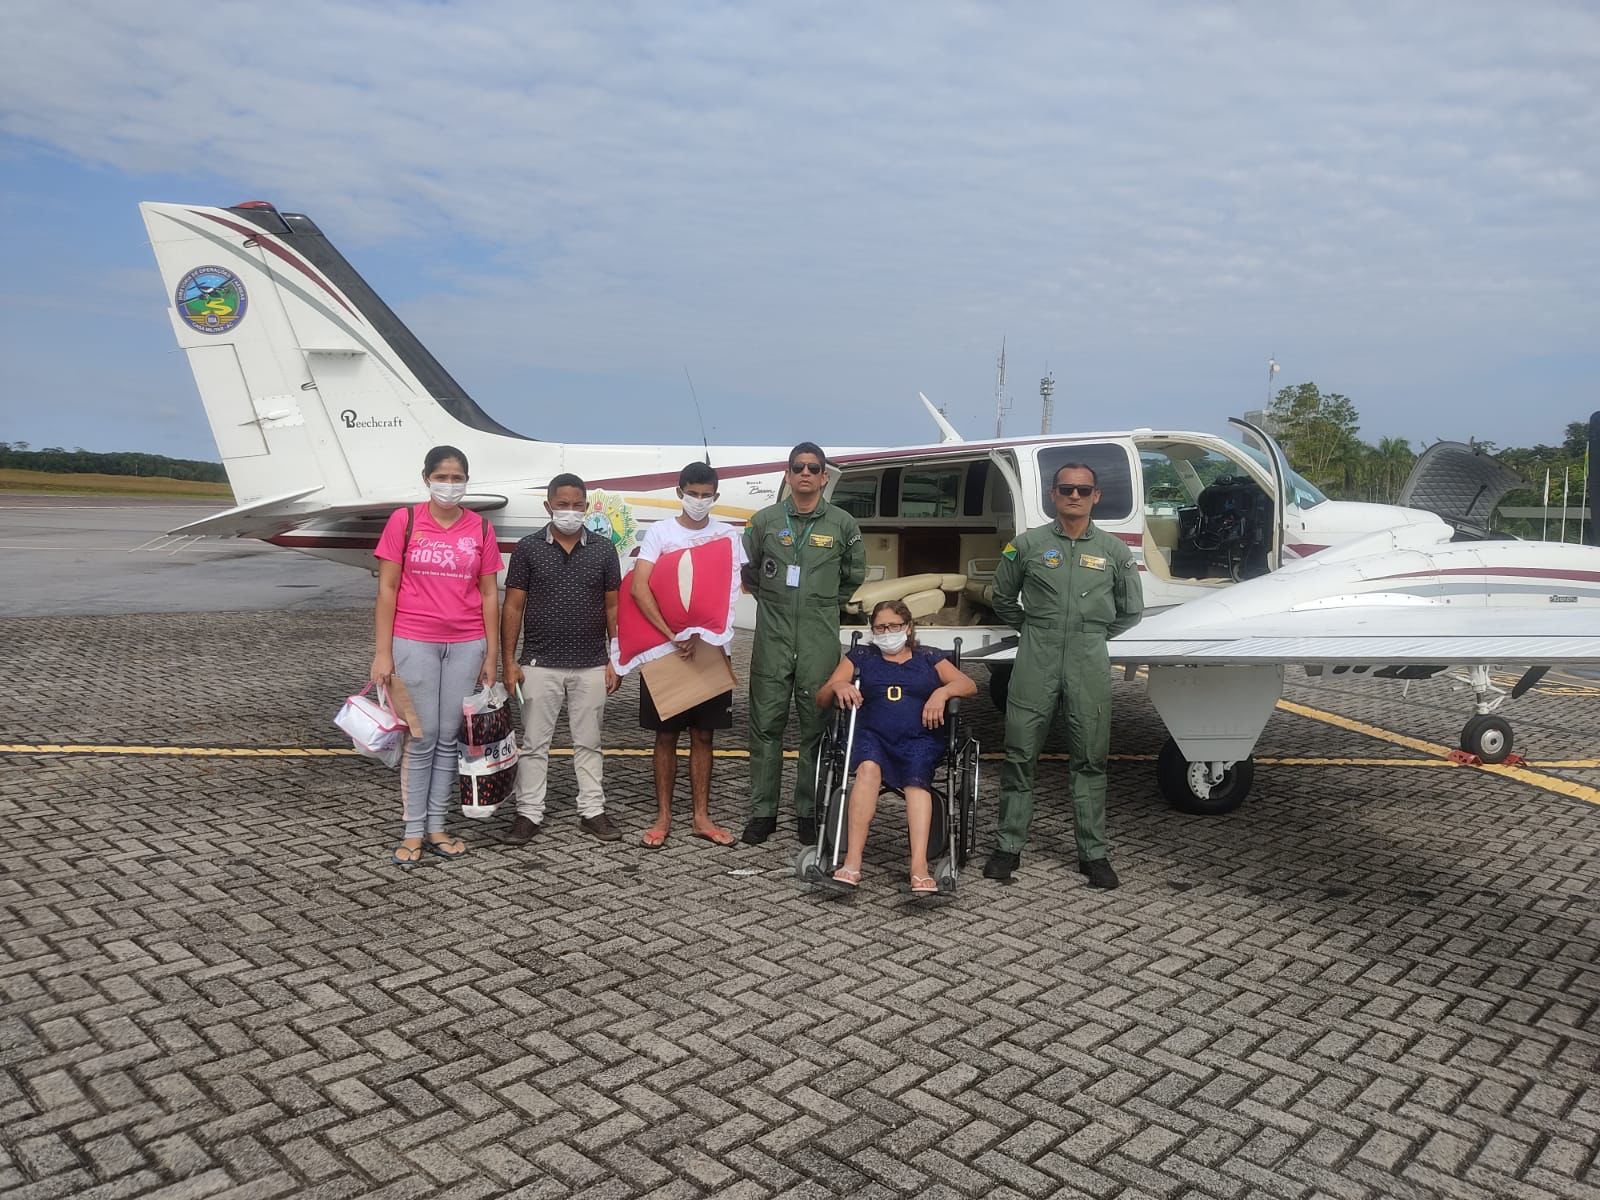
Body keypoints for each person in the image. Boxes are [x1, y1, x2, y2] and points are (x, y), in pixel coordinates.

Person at [983, 462, 1143, 889]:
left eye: (1083, 489)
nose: (1075, 496)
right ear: (1053, 495)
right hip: (1037, 653)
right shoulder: (1027, 545)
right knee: (1019, 754)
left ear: (1096, 497)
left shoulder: (1114, 552)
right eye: (1066, 489)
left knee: (1090, 758)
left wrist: (1089, 634)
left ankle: (1093, 854)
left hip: (1088, 659)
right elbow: (1002, 596)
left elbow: (1131, 611)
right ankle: (1007, 847)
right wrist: (1037, 627)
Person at [371, 445, 503, 868]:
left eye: (457, 477)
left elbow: (488, 595)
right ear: (426, 478)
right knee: (421, 736)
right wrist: (382, 652)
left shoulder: (480, 529)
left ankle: (437, 827)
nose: (450, 485)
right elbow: (387, 589)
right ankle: (412, 831)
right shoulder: (405, 521)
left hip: (467, 643)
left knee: (449, 739)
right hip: (415, 640)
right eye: (442, 477)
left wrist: (492, 656)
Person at [741, 442, 867, 846]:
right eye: (799, 467)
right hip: (772, 639)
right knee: (765, 728)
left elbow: (853, 575)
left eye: (814, 468)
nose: (806, 474)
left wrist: (819, 602)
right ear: (788, 474)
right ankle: (763, 813)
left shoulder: (843, 525)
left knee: (816, 729)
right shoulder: (763, 522)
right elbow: (754, 570)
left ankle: (808, 812)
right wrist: (779, 603)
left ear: (824, 476)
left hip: (818, 639)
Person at [814, 601, 977, 894]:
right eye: (880, 627)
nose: (887, 632)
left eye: (894, 626)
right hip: (871, 735)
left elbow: (968, 685)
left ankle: (919, 868)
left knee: (916, 781)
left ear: (908, 627)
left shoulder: (929, 657)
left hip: (920, 737)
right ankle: (851, 862)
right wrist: (838, 686)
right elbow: (823, 697)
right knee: (867, 770)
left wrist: (943, 691)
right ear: (872, 630)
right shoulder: (861, 655)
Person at [501, 473, 622, 843]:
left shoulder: (603, 549)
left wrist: (616, 657)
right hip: (539, 663)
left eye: (576, 505)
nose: (569, 511)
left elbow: (613, 606)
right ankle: (528, 814)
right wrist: (509, 661)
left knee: (590, 742)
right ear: (548, 506)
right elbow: (513, 607)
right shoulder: (527, 548)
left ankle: (592, 811)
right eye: (562, 504)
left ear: (586, 507)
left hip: (591, 663)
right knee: (535, 743)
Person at [629, 462, 746, 848]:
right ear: (680, 492)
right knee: (665, 735)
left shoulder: (728, 536)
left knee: (704, 735)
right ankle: (663, 816)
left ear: (716, 496)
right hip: (664, 650)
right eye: (692, 493)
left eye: (706, 494)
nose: (699, 501)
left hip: (710, 651)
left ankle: (700, 816)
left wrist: (707, 634)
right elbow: (640, 588)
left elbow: (730, 591)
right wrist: (671, 633)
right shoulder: (660, 532)